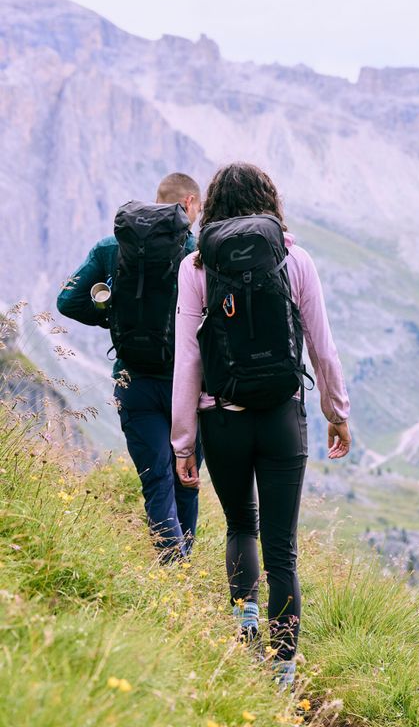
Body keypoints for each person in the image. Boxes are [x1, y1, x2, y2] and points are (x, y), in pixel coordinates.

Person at [170, 162, 351, 690]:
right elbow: (321, 344)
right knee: (283, 548)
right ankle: (283, 672)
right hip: (281, 417)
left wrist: (183, 440)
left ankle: (243, 623)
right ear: (270, 203)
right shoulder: (296, 259)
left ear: (214, 207)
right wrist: (336, 412)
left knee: (239, 527)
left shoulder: (196, 267)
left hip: (220, 417)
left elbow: (187, 359)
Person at [57, 173, 204, 561]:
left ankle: (173, 571)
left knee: (156, 479)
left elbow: (67, 301)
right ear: (189, 204)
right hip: (185, 385)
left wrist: (113, 318)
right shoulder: (196, 252)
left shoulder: (111, 247)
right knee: (185, 479)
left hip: (133, 379)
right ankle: (182, 564)